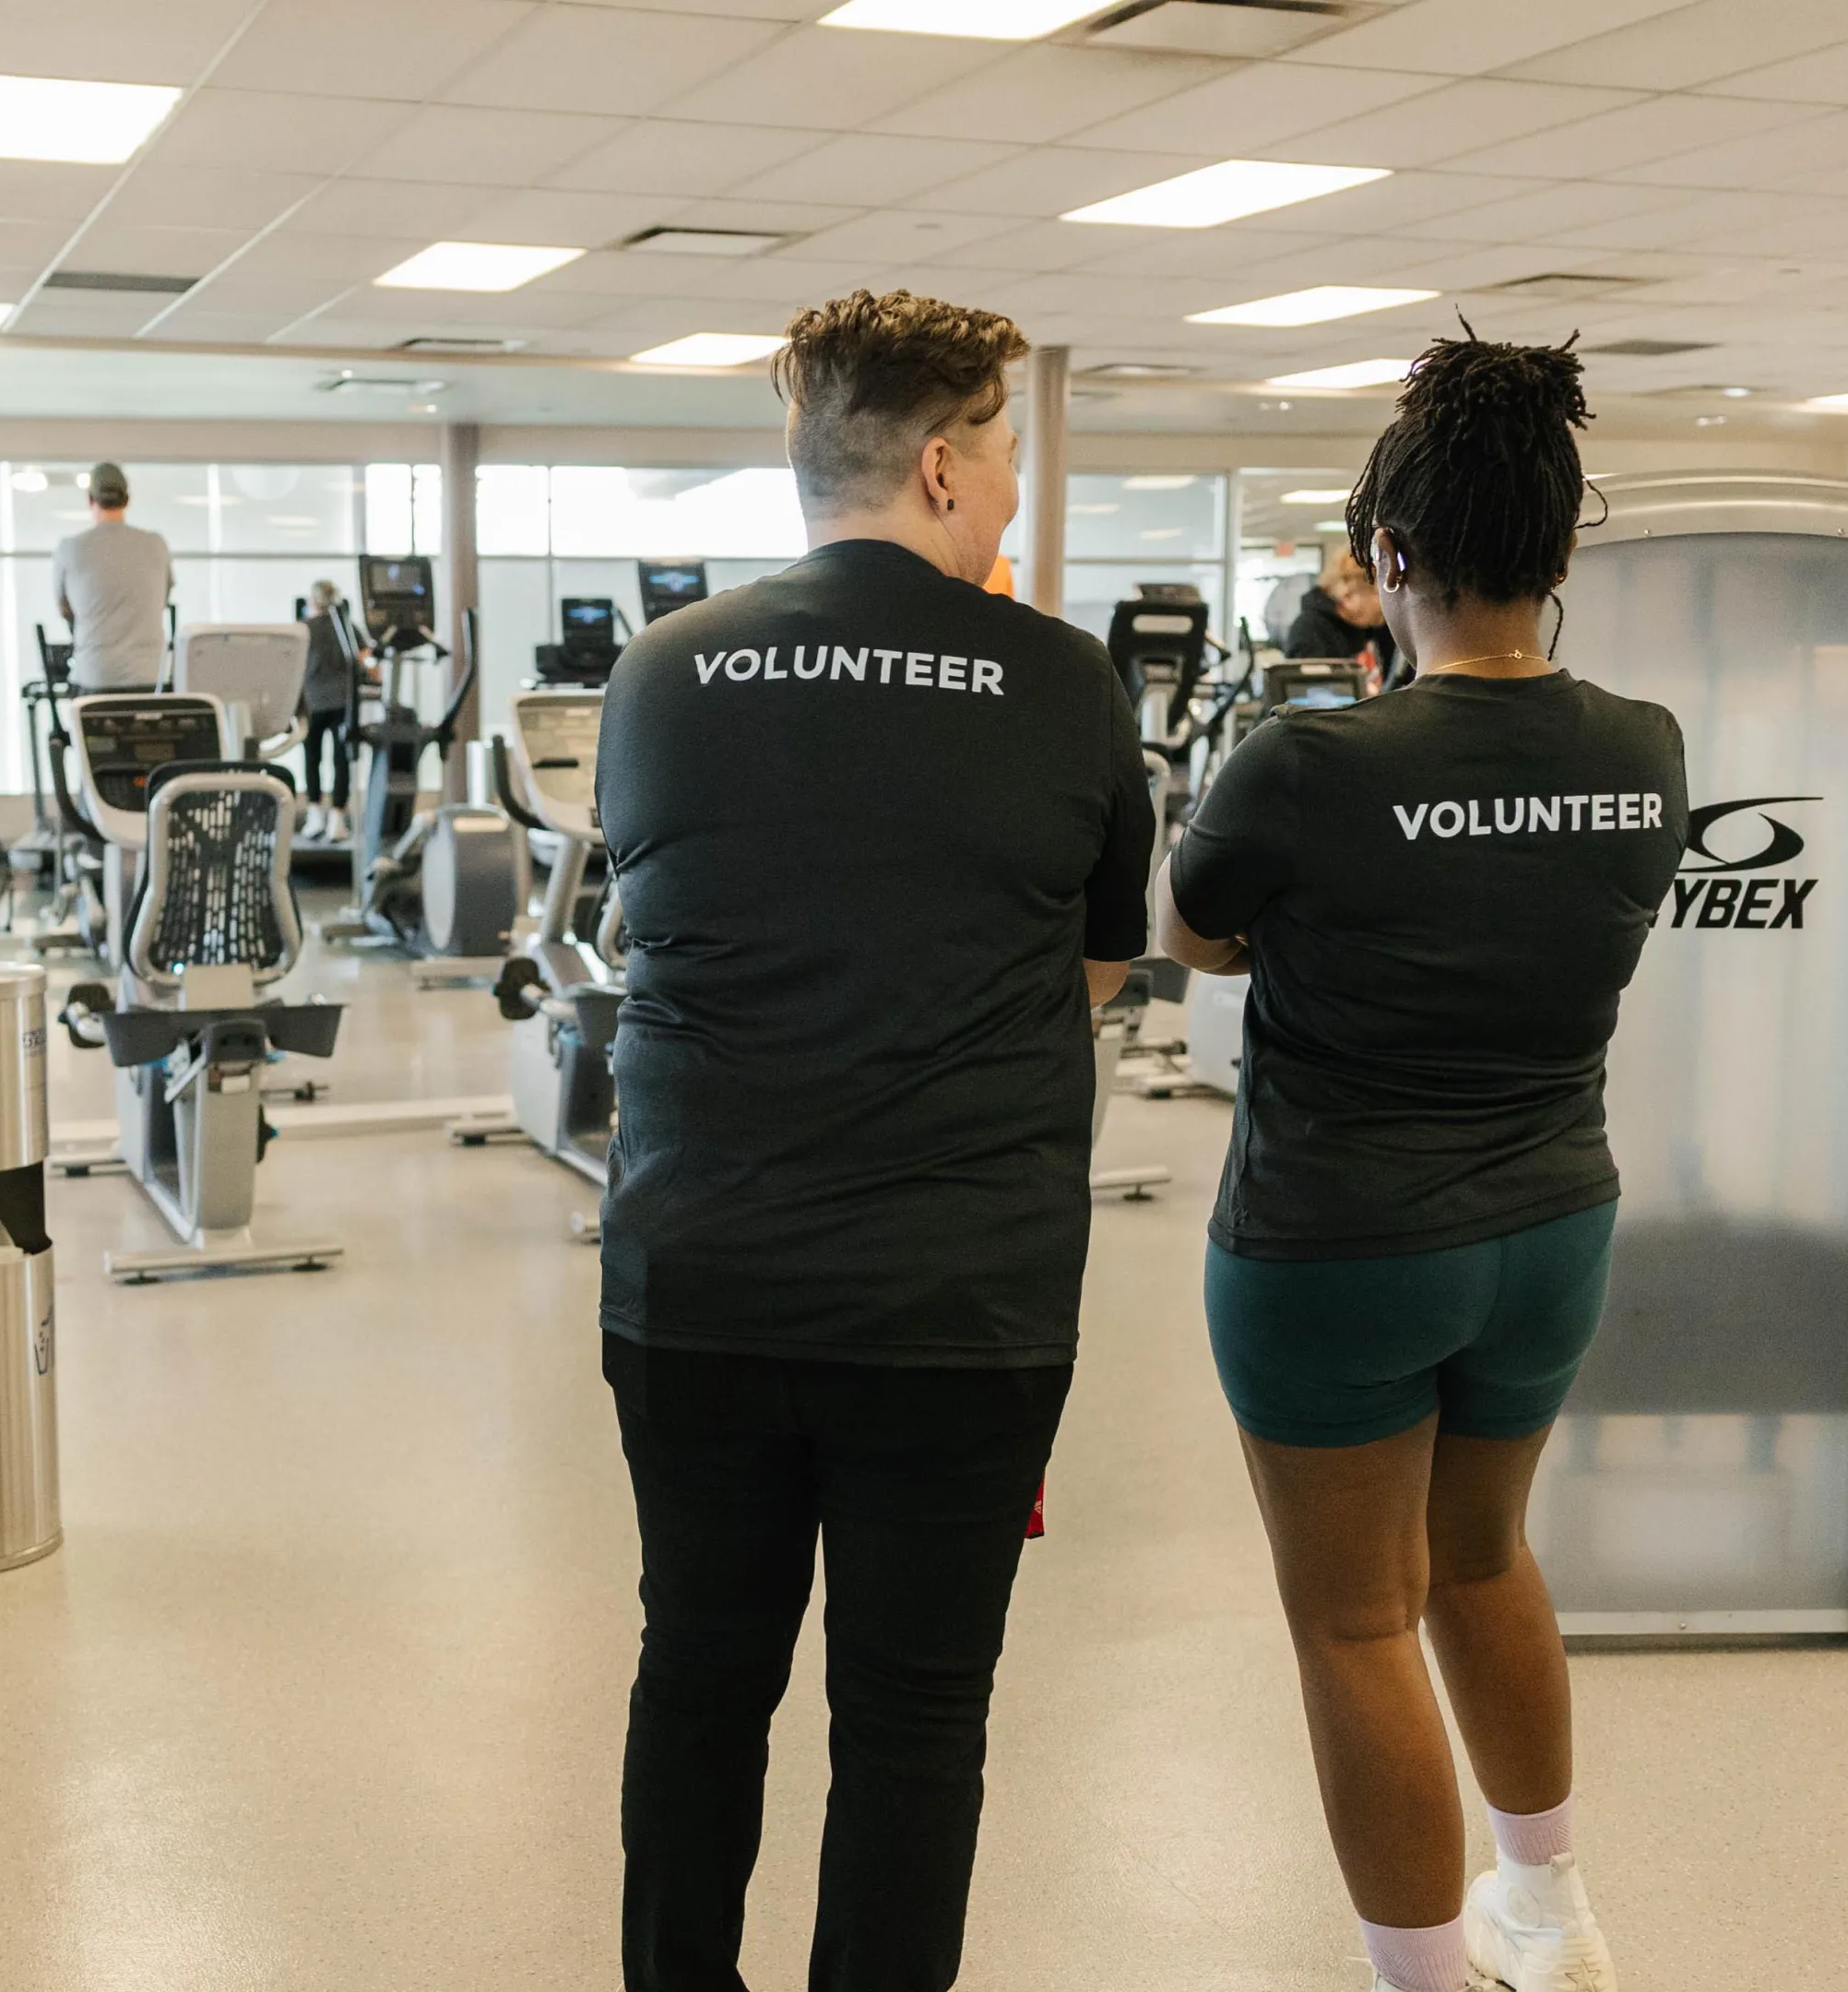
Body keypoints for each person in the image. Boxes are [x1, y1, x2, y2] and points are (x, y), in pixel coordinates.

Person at [593, 288, 1154, 1992]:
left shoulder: (661, 670)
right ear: (936, 465)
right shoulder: (1063, 683)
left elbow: (656, 918)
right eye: (1002, 461)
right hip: (955, 1306)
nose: (1008, 498)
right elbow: (1097, 963)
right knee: (916, 1722)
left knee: (699, 1676)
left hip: (699, 1280)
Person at [1159, 334, 1686, 1992]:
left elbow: (1191, 933)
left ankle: (1428, 1981)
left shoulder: (1313, 761)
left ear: (1388, 557)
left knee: (1356, 1618)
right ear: (1558, 554)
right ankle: (1556, 1913)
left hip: (1340, 1243)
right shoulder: (1646, 747)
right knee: (1483, 1558)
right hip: (1550, 1226)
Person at [50, 461, 172, 692]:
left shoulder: (71, 548)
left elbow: (64, 610)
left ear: (90, 499)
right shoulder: (156, 545)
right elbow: (162, 600)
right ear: (127, 499)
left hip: (95, 675)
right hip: (149, 676)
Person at [295, 575, 367, 833]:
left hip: (313, 703)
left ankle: (314, 815)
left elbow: (293, 668)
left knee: (312, 759)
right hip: (342, 703)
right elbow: (366, 661)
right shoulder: (347, 627)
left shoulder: (303, 629)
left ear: (313, 601)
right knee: (341, 760)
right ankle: (337, 817)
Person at [1285, 547, 1400, 687]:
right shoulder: (1310, 631)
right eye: (1376, 592)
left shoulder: (1377, 625)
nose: (1384, 600)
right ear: (1348, 595)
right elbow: (1311, 693)